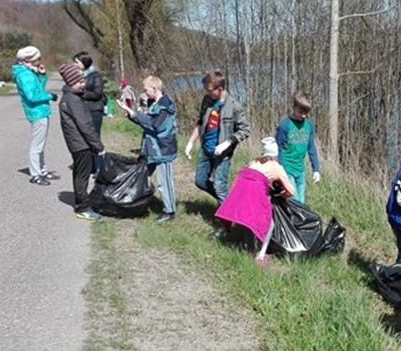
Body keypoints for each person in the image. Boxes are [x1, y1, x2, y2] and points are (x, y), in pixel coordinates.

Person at [214, 137, 295, 263]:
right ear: (275, 154)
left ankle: (250, 250)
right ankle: (261, 256)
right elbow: (291, 190)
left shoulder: (254, 162)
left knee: (247, 221)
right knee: (269, 224)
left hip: (240, 190)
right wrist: (282, 195)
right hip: (254, 192)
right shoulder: (276, 167)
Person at [116, 76, 178, 223]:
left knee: (164, 182)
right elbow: (146, 123)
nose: (144, 93)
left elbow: (154, 125)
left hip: (163, 149)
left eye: (146, 90)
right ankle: (139, 201)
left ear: (155, 89)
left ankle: (169, 211)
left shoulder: (164, 106)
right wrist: (131, 115)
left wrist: (134, 114)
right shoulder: (153, 103)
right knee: (143, 175)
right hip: (151, 148)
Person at [185, 71, 251, 207]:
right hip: (206, 150)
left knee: (219, 185)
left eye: (210, 90)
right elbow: (200, 122)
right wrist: (191, 142)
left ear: (219, 89)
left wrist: (227, 143)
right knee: (200, 181)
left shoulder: (234, 106)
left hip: (222, 154)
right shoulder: (207, 101)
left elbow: (245, 130)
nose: (207, 93)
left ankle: (225, 224)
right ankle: (229, 203)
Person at [57, 63, 105, 221]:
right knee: (82, 175)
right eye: (80, 82)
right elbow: (84, 126)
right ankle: (83, 207)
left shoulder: (72, 97)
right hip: (81, 144)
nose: (83, 84)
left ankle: (81, 200)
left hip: (77, 143)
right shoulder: (73, 100)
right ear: (71, 83)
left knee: (79, 172)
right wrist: (98, 146)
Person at [11, 45, 60, 186]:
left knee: (40, 143)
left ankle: (42, 170)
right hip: (36, 111)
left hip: (41, 110)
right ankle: (35, 174)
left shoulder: (29, 71)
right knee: (36, 145)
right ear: (29, 59)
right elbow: (32, 96)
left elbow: (39, 88)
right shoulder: (24, 74)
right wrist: (50, 96)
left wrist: (42, 75)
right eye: (37, 58)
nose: (40, 60)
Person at [275, 91, 321, 203]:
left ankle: (296, 220)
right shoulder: (285, 125)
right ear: (294, 107)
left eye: (306, 113)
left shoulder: (309, 126)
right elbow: (277, 147)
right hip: (287, 168)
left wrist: (316, 169)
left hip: (300, 169)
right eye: (300, 112)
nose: (303, 116)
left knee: (301, 202)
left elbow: (311, 148)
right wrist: (279, 168)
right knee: (294, 201)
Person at [73, 51, 106, 175]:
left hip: (95, 111)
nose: (75, 64)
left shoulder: (95, 76)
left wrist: (82, 93)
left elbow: (98, 93)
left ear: (84, 62)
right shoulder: (83, 75)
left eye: (77, 62)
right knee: (87, 138)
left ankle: (99, 168)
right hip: (86, 110)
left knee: (94, 138)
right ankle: (91, 166)